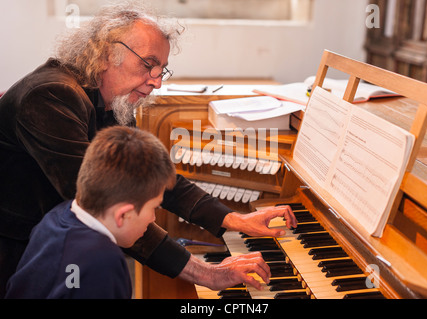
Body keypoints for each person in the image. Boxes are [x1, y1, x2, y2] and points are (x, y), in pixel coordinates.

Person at [0, 2, 296, 297]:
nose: (156, 81)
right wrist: (204, 272)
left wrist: (232, 219)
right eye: (148, 64)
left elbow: (147, 176)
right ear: (106, 54)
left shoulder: (108, 97)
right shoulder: (51, 96)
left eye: (161, 69)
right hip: (19, 252)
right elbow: (106, 205)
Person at [5, 126, 271, 298]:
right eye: (153, 208)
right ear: (123, 214)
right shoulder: (103, 261)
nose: (154, 219)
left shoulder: (56, 217)